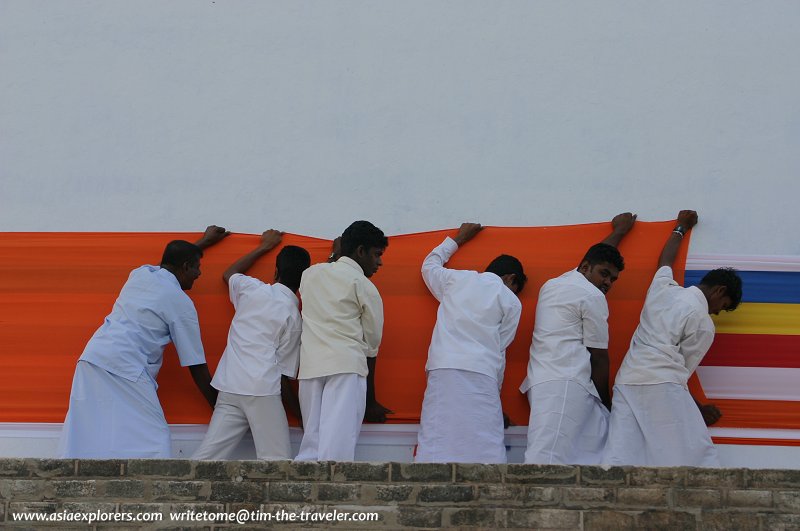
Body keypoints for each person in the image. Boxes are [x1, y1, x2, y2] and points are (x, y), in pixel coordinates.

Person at [58, 225, 230, 458]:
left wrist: (204, 242)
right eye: (197, 268)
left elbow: (169, 264)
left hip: (92, 358)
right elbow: (196, 365)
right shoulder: (180, 302)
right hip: (126, 367)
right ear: (186, 266)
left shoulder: (140, 274)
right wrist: (220, 408)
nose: (199, 274)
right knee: (154, 439)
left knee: (86, 432)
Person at [603, 210, 742, 467]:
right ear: (720, 290)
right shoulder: (702, 323)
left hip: (627, 381)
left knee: (620, 455)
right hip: (662, 384)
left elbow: (665, 261)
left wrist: (681, 227)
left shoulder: (663, 289)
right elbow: (681, 373)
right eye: (722, 306)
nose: (717, 311)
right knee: (696, 457)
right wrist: (698, 409)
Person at [520, 212, 636, 465]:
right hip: (565, 383)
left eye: (612, 279)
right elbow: (599, 355)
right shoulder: (592, 296)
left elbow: (597, 256)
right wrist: (607, 402)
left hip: (550, 380)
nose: (607, 283)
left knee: (591, 448)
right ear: (585, 268)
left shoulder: (554, 283)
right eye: (604, 274)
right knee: (546, 458)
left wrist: (619, 232)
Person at [415, 223, 527, 463]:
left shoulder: (456, 279)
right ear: (511, 279)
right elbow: (500, 350)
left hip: (443, 368)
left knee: (436, 435)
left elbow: (429, 266)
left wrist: (459, 239)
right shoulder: (511, 301)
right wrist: (495, 401)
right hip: (482, 373)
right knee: (484, 443)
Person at [193, 230, 309, 460]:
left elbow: (229, 274)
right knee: (278, 462)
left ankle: (178, 491)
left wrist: (265, 246)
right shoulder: (293, 318)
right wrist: (301, 417)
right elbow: (283, 375)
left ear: (275, 272)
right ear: (303, 280)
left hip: (229, 386)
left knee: (206, 459)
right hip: (262, 392)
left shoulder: (252, 289)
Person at [294, 220, 392, 461]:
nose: (379, 262)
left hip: (310, 368)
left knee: (311, 444)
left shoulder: (309, 275)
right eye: (377, 254)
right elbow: (372, 341)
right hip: (346, 367)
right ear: (360, 251)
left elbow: (329, 271)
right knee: (336, 445)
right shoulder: (364, 286)